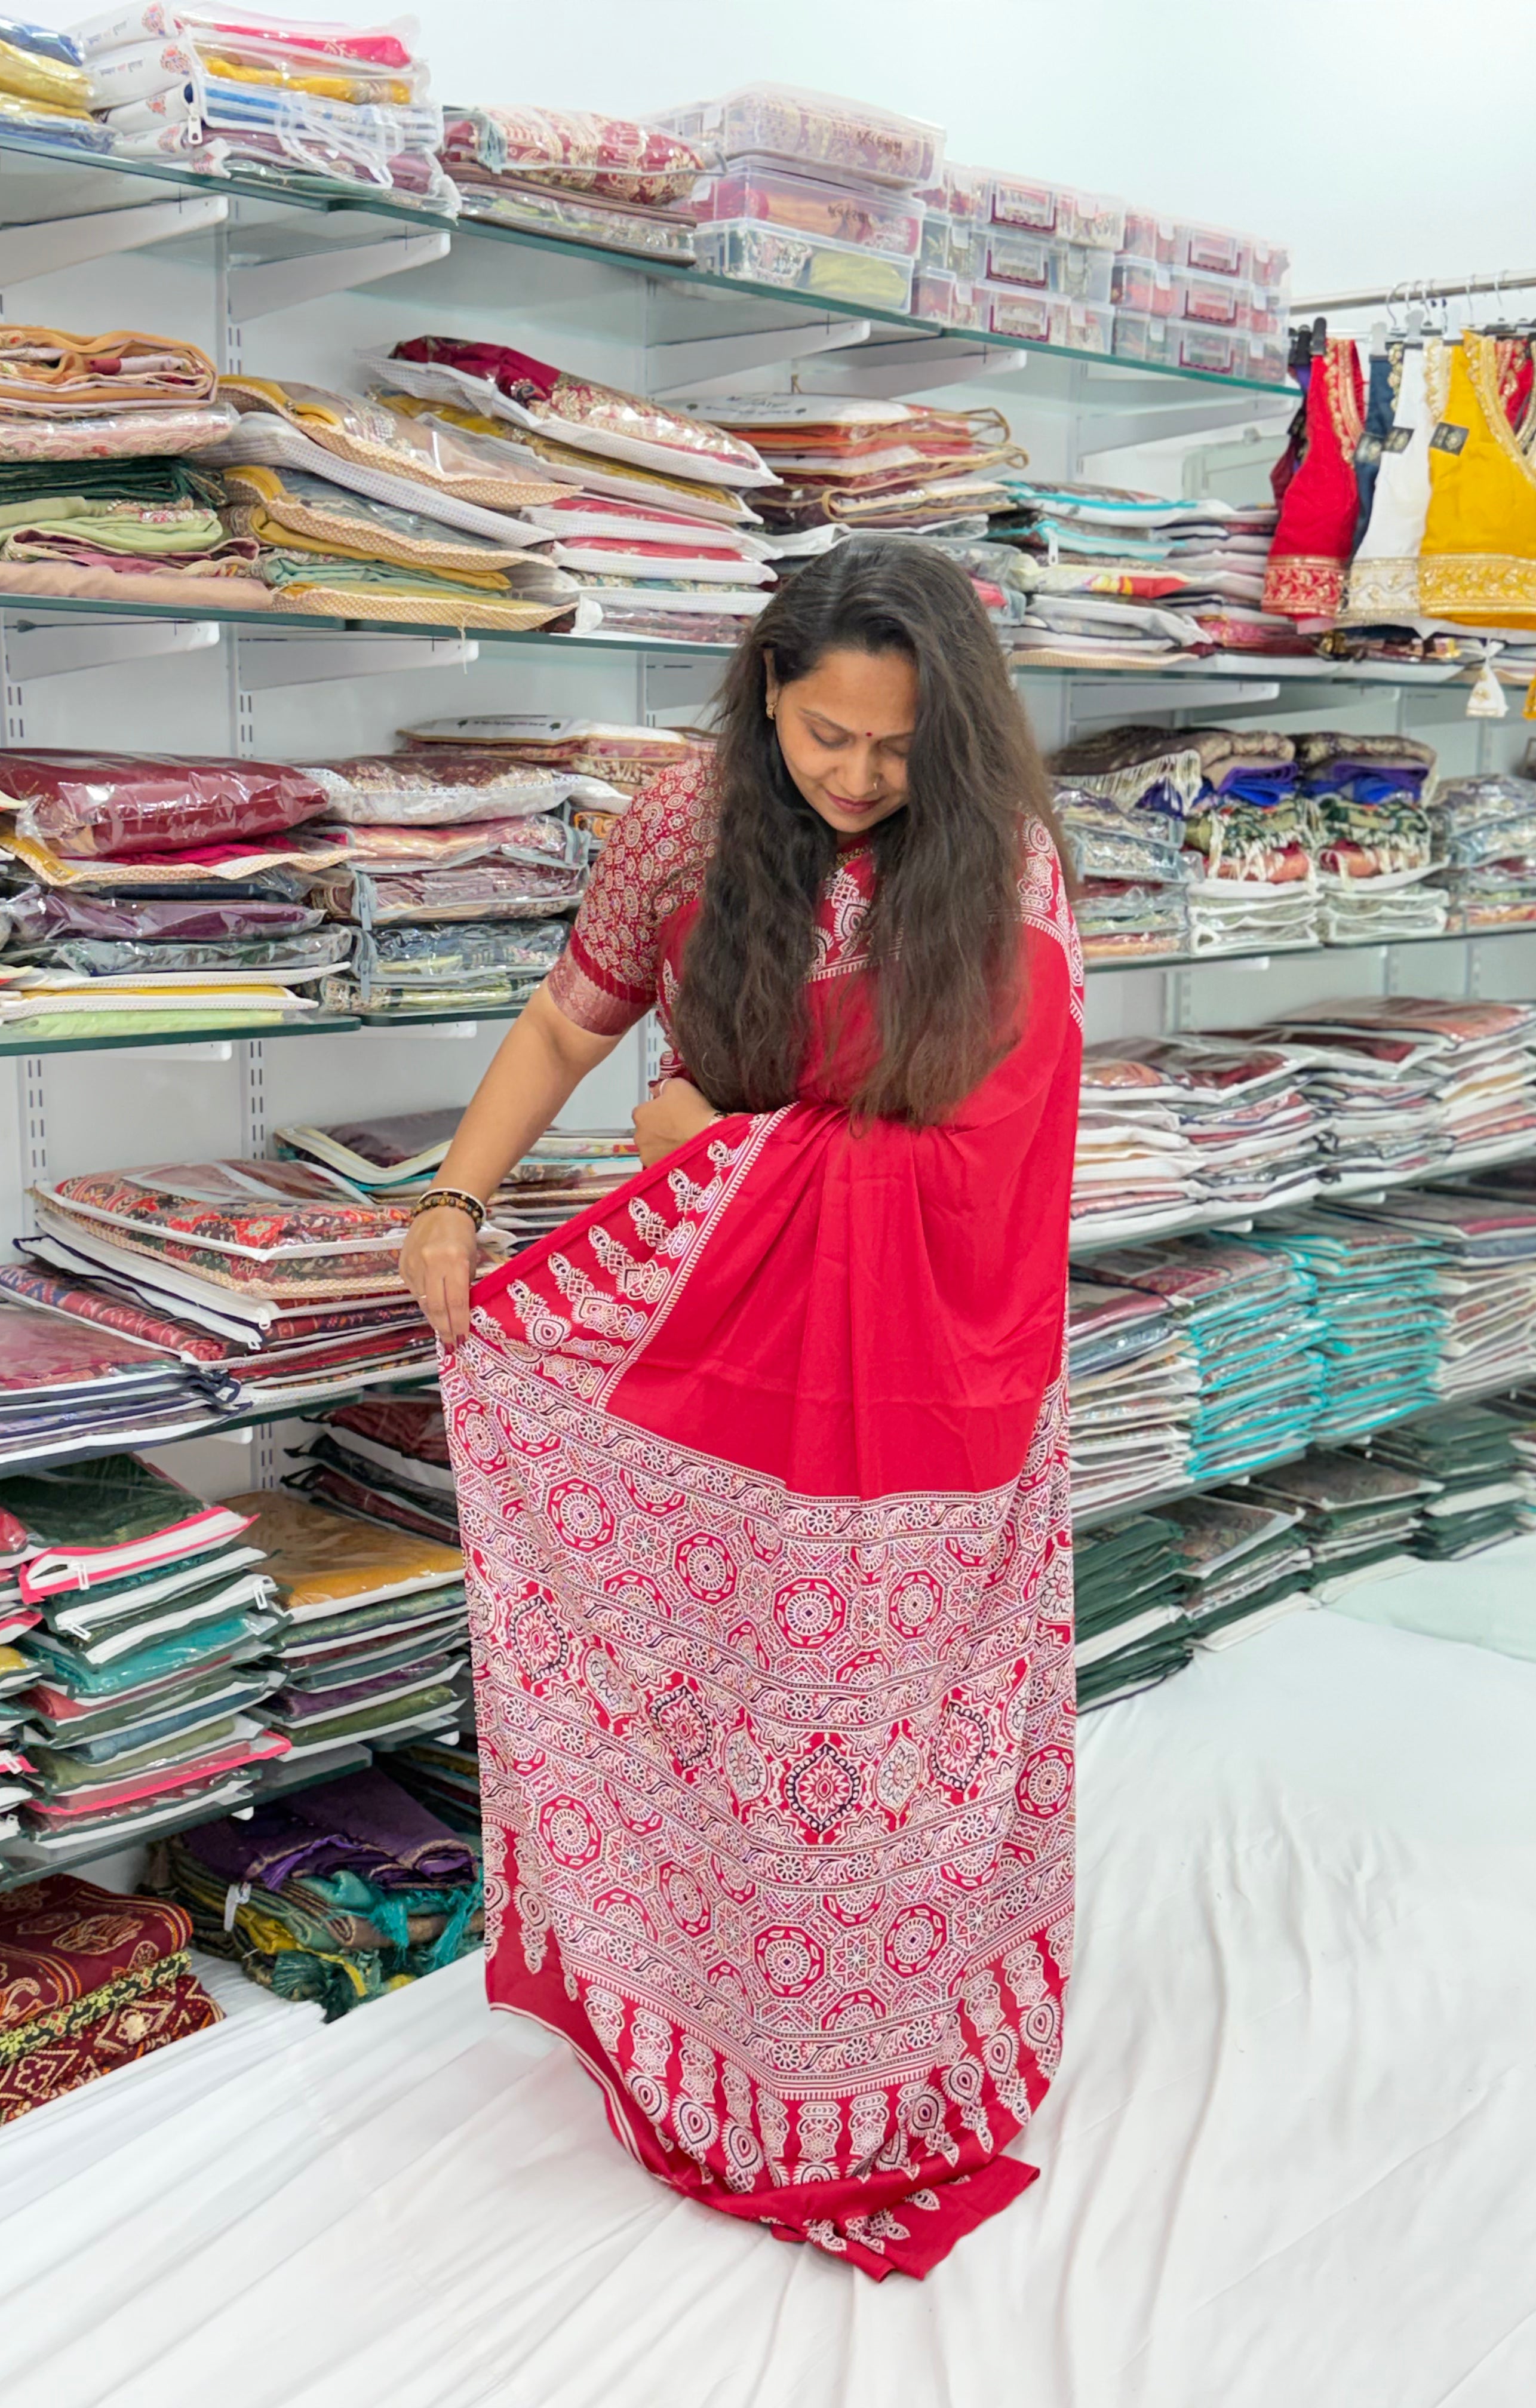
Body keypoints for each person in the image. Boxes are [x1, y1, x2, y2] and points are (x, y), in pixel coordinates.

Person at [400, 539, 1083, 2280]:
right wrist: (456, 1201)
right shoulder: (684, 829)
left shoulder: (999, 861)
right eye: (824, 736)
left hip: (921, 1381)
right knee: (718, 1705)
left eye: (897, 749)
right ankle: (714, 2027)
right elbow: (568, 1024)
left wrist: (719, 1141)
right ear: (766, 695)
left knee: (871, 1739)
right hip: (716, 1362)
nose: (857, 777)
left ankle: (869, 2061)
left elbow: (998, 1158)